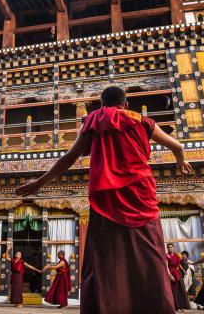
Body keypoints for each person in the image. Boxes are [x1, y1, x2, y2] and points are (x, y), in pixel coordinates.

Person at [16, 86, 191, 314]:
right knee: (152, 256)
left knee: (105, 260)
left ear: (101, 104)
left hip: (106, 199)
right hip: (141, 197)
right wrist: (180, 161)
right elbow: (178, 145)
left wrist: (38, 183)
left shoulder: (94, 121)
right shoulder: (142, 121)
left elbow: (69, 157)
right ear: (125, 104)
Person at [167, 243, 190, 311]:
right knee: (174, 291)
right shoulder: (166, 255)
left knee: (181, 289)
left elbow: (179, 264)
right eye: (168, 247)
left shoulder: (176, 255)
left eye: (171, 247)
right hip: (171, 273)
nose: (170, 248)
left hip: (177, 273)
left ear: (173, 247)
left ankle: (182, 306)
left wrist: (183, 270)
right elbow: (166, 266)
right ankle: (176, 307)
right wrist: (170, 276)